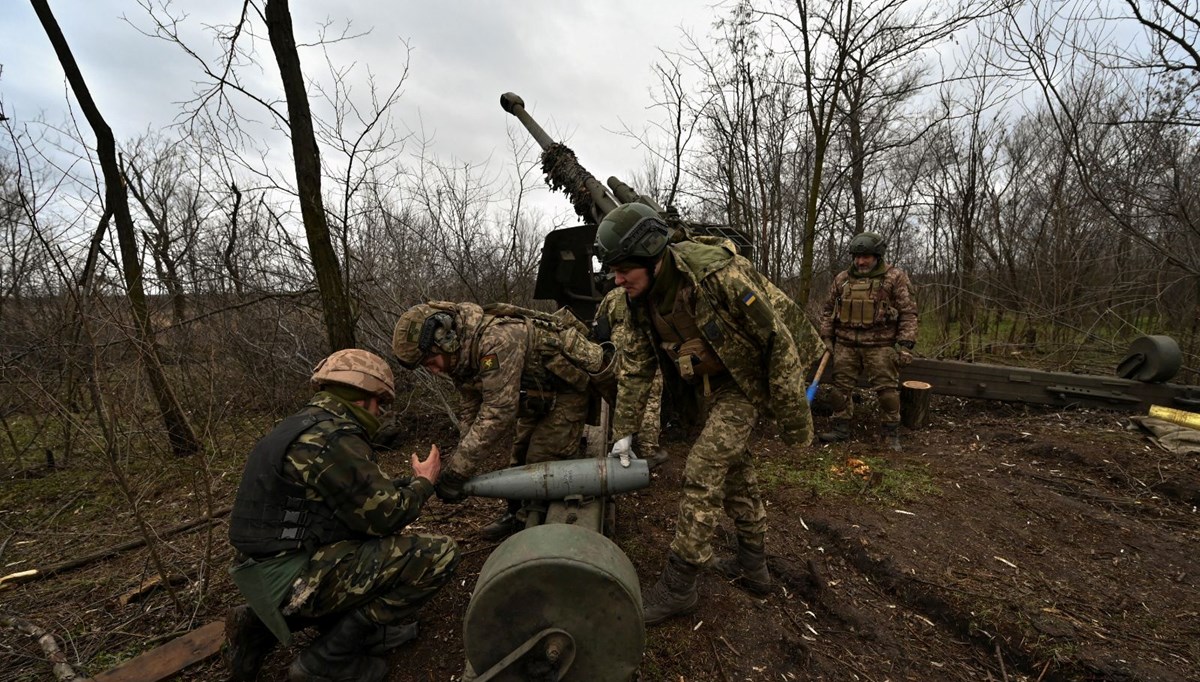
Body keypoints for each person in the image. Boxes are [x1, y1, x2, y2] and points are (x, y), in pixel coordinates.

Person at [593, 202, 822, 625]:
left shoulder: (717, 276)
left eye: (624, 268)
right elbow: (638, 368)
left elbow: (779, 342)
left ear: (651, 256)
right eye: (614, 270)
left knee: (702, 468)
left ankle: (679, 585)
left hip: (749, 380)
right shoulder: (636, 302)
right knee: (736, 469)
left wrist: (794, 421)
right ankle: (754, 565)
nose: (617, 278)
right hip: (713, 383)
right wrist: (623, 434)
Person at [224, 349, 459, 682]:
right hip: (292, 579)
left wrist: (404, 484)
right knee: (439, 554)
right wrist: (424, 483)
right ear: (362, 397)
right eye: (380, 403)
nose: (381, 413)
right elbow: (386, 516)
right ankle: (328, 659)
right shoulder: (332, 438)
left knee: (365, 540)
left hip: (265, 572)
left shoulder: (301, 426)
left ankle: (260, 626)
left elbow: (343, 498)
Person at [391, 301, 609, 540]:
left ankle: (543, 530)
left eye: (431, 362)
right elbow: (470, 408)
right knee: (519, 458)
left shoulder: (497, 340)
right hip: (536, 396)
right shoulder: (461, 352)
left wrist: (456, 473)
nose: (433, 371)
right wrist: (461, 466)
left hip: (567, 392)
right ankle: (517, 515)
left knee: (542, 460)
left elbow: (498, 411)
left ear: (446, 340)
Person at [817, 231, 919, 451]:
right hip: (845, 344)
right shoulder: (842, 279)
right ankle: (840, 429)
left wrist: (905, 343)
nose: (860, 261)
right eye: (857, 257)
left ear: (877, 256)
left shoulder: (895, 277)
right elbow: (827, 311)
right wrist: (827, 337)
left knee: (887, 393)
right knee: (839, 390)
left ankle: (890, 434)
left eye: (866, 257)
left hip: (880, 345)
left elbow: (908, 312)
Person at [593, 285, 668, 469]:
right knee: (650, 399)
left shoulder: (612, 296)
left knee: (620, 399)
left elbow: (599, 324)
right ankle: (649, 452)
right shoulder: (650, 293)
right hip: (643, 353)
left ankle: (619, 443)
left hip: (616, 355)